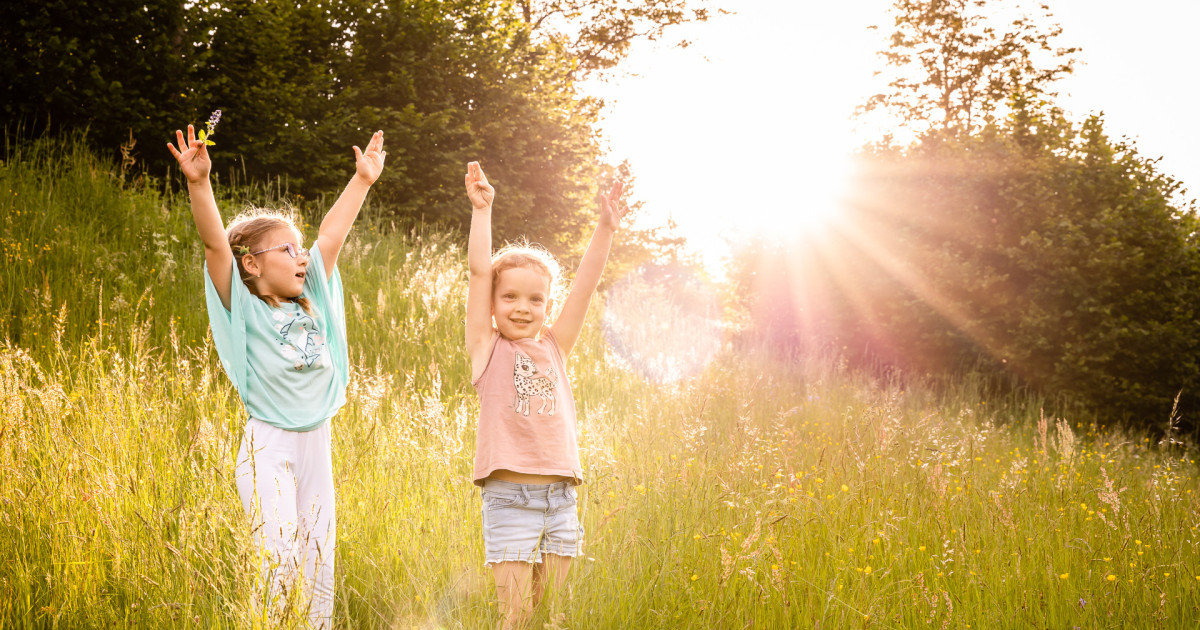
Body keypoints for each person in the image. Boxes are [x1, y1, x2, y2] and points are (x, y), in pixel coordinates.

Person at [168, 124, 386, 627]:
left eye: (298, 248)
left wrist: (363, 181)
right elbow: (214, 247)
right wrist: (200, 185)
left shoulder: (314, 293)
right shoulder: (241, 305)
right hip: (268, 443)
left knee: (319, 556)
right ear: (253, 265)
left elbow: (331, 235)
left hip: (317, 440)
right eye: (286, 250)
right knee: (279, 554)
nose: (300, 255)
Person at [464, 161, 626, 628]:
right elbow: (478, 274)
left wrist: (604, 229)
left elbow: (585, 286)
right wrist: (482, 211)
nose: (522, 308)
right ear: (493, 306)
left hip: (561, 498)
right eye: (510, 297)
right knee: (513, 617)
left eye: (535, 300)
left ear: (547, 307)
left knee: (554, 615)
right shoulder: (486, 348)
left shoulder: (555, 346)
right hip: (508, 498)